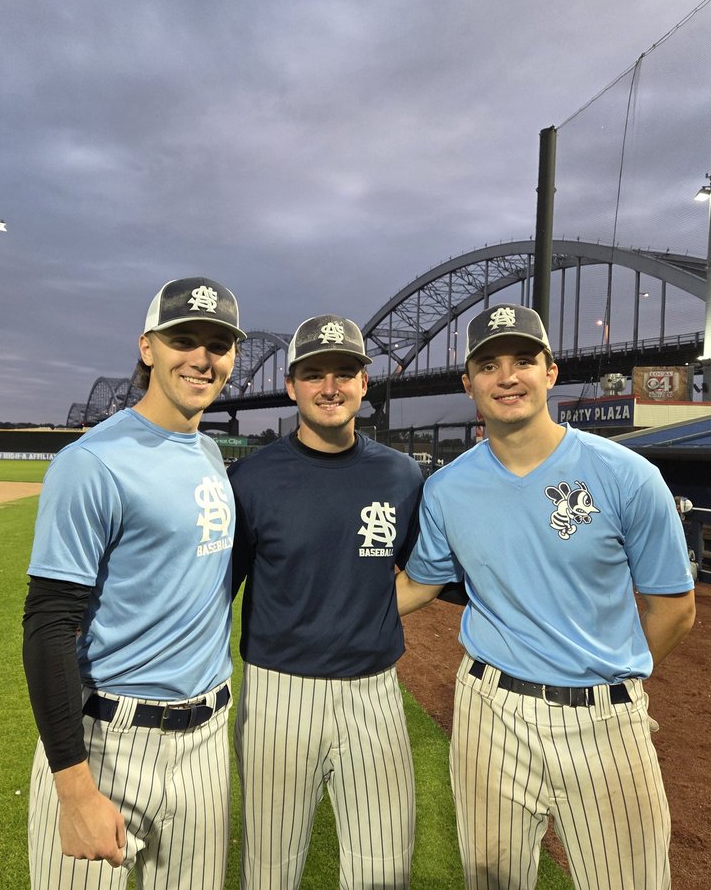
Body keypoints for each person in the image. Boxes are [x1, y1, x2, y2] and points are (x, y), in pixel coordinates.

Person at [397, 303, 697, 890]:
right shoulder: (446, 488)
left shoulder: (627, 475)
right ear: (469, 384)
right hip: (490, 712)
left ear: (550, 373)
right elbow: (419, 583)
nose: (508, 376)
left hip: (605, 722)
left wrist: (615, 683)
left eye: (524, 360)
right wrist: (323, 609)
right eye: (489, 365)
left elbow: (674, 609)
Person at [23, 277, 246, 890]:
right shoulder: (92, 461)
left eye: (219, 344)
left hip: (205, 744)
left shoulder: (207, 455)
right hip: (109, 744)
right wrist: (74, 789)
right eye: (185, 339)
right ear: (148, 347)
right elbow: (48, 624)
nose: (203, 358)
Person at [227, 314, 423, 889]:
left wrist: (370, 609)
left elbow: (425, 572)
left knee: (385, 869)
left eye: (345, 373)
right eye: (314, 374)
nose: (330, 387)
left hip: (375, 694)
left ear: (365, 383)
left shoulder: (401, 474)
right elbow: (219, 592)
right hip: (277, 695)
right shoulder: (251, 479)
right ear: (292, 385)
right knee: (270, 871)